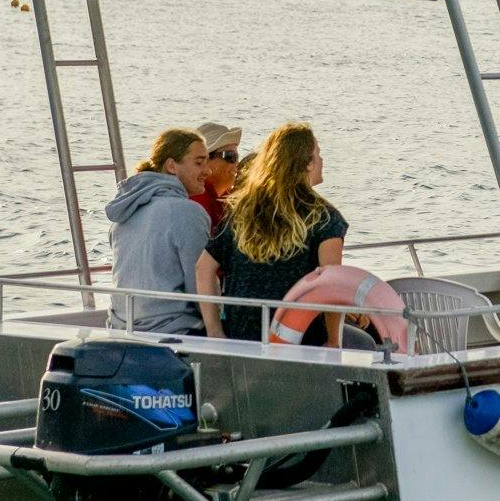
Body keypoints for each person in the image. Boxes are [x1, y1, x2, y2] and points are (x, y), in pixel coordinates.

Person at [195, 122, 348, 343]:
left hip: (242, 339)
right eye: (318, 154)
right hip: (301, 343)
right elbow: (331, 284)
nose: (322, 161)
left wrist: (215, 331)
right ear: (306, 164)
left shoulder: (243, 211)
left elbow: (203, 268)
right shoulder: (324, 217)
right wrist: (334, 340)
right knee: (365, 342)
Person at [106, 128, 212, 335]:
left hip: (120, 328)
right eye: (199, 162)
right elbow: (199, 284)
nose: (208, 171)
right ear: (171, 166)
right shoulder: (188, 212)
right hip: (173, 330)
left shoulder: (126, 212)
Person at [192, 121, 243, 230]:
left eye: (237, 157)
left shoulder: (225, 199)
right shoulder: (197, 202)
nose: (236, 163)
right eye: (230, 156)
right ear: (205, 161)